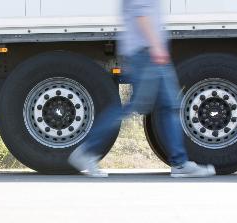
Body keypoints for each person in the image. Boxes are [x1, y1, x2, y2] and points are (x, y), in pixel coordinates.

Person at [68, 0, 216, 178]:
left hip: (146, 52)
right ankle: (86, 151)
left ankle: (180, 162)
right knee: (136, 106)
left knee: (169, 106)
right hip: (146, 52)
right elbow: (141, 14)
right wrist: (156, 47)